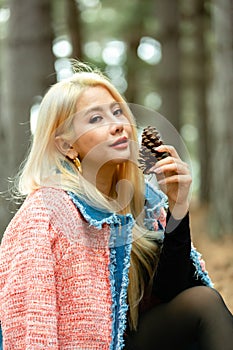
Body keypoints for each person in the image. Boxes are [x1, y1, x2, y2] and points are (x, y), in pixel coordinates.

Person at [0, 61, 232, 350]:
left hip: (129, 341)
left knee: (203, 302)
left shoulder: (142, 202)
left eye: (117, 111)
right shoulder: (46, 213)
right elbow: (29, 323)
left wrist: (177, 207)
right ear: (66, 146)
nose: (118, 125)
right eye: (95, 119)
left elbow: (170, 293)